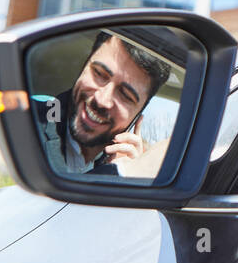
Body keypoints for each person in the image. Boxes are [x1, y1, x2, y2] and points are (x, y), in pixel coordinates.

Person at [33, 31, 170, 176]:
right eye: (99, 73)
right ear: (84, 66)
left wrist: (120, 176)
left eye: (125, 95)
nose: (102, 100)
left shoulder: (121, 164)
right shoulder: (26, 118)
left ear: (137, 117)